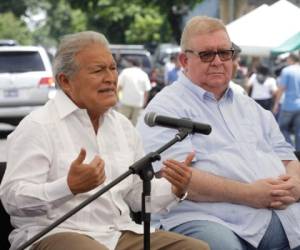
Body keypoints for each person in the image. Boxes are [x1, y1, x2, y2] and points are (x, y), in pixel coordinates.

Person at [0, 31, 209, 250]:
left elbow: (138, 196)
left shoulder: (123, 127)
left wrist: (175, 189)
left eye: (112, 68)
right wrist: (68, 187)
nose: (110, 78)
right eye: (98, 70)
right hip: (54, 233)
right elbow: (13, 200)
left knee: (196, 248)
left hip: (118, 234)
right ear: (65, 81)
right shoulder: (38, 126)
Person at [137, 16, 300, 250]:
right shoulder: (164, 109)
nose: (217, 61)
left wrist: (295, 183)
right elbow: (178, 178)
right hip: (210, 217)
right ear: (184, 60)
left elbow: (287, 156)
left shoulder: (251, 107)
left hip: (281, 211)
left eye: (225, 53)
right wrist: (250, 194)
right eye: (206, 54)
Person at [273, 52, 300, 151]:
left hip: (289, 104)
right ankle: (298, 153)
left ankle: (290, 147)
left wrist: (276, 103)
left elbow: (281, 89)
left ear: (291, 59)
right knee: (298, 131)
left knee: (281, 128)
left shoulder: (287, 70)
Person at [117, 57, 151, 125]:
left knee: (122, 124)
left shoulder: (125, 72)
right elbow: (147, 91)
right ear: (140, 65)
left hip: (125, 101)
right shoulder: (144, 74)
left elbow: (119, 87)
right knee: (135, 125)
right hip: (138, 103)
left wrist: (117, 99)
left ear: (131, 64)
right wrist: (144, 103)